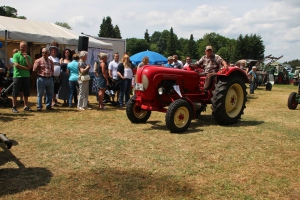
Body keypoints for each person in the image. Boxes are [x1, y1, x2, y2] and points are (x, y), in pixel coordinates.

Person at [11, 41, 33, 113]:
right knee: (15, 92)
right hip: (17, 76)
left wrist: (26, 58)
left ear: (26, 48)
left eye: (23, 47)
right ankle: (14, 107)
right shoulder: (16, 55)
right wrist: (26, 68)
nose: (22, 48)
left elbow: (30, 66)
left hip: (26, 76)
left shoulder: (28, 56)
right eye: (21, 47)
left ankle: (25, 106)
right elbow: (16, 65)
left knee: (26, 92)